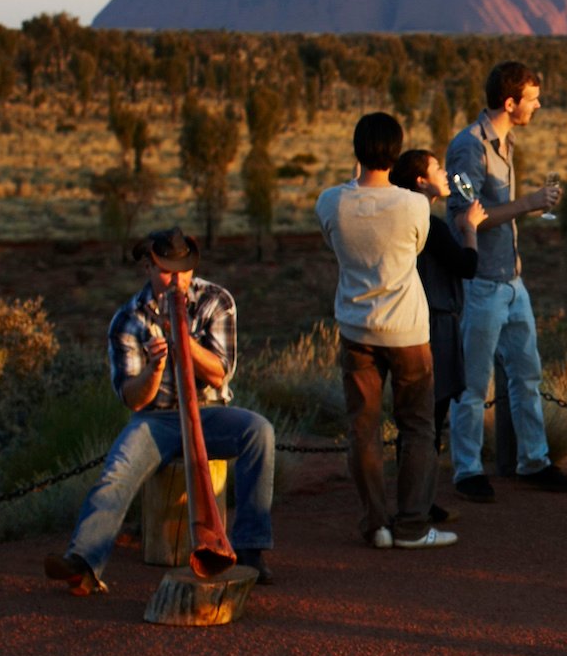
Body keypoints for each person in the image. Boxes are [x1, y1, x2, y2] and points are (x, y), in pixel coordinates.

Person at [43, 227, 275, 592]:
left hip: (209, 412)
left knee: (258, 431)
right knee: (117, 470)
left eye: (183, 270)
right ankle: (84, 562)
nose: (177, 280)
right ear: (148, 268)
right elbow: (133, 398)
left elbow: (219, 373)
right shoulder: (128, 319)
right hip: (157, 419)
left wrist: (181, 339)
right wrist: (154, 369)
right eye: (167, 270)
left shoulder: (217, 301)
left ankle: (250, 550)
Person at [315, 113, 454, 551]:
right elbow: (414, 249)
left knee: (363, 427)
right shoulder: (414, 205)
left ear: (357, 149)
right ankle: (413, 524)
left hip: (357, 328)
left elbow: (331, 244)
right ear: (396, 154)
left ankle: (375, 522)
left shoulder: (330, 202)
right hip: (408, 331)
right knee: (416, 426)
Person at [445, 60, 567, 502]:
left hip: (510, 280)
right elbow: (468, 218)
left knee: (526, 375)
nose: (538, 105)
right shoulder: (469, 148)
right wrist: (530, 203)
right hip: (482, 283)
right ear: (510, 102)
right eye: (533, 98)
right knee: (472, 383)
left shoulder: (507, 140)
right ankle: (466, 471)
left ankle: (533, 461)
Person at [388, 149, 486, 465]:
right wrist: (470, 227)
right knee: (430, 414)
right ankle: (419, 499)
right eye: (437, 169)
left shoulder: (402, 222)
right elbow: (467, 266)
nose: (445, 174)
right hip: (435, 326)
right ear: (421, 182)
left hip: (410, 322)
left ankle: (415, 493)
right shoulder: (431, 227)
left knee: (417, 413)